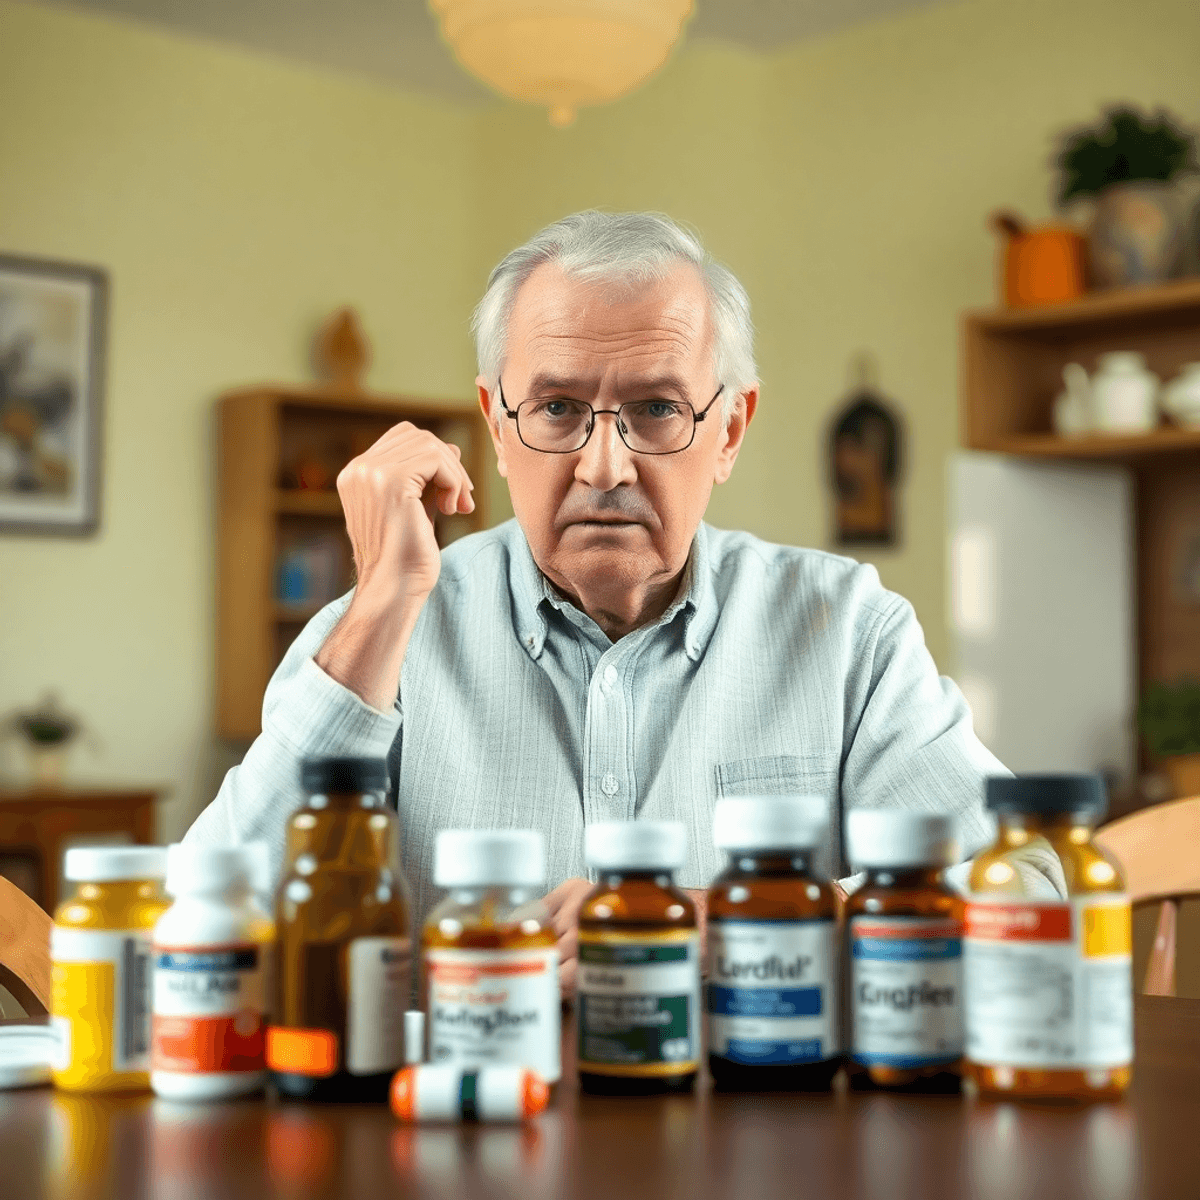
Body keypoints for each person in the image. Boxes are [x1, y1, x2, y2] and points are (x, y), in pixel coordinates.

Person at [186, 211, 1061, 995]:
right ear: (496, 427)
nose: (604, 467)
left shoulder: (847, 631)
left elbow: (1024, 882)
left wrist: (755, 918)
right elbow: (194, 918)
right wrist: (379, 606)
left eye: (655, 409)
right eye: (558, 408)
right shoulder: (380, 632)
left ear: (729, 431)